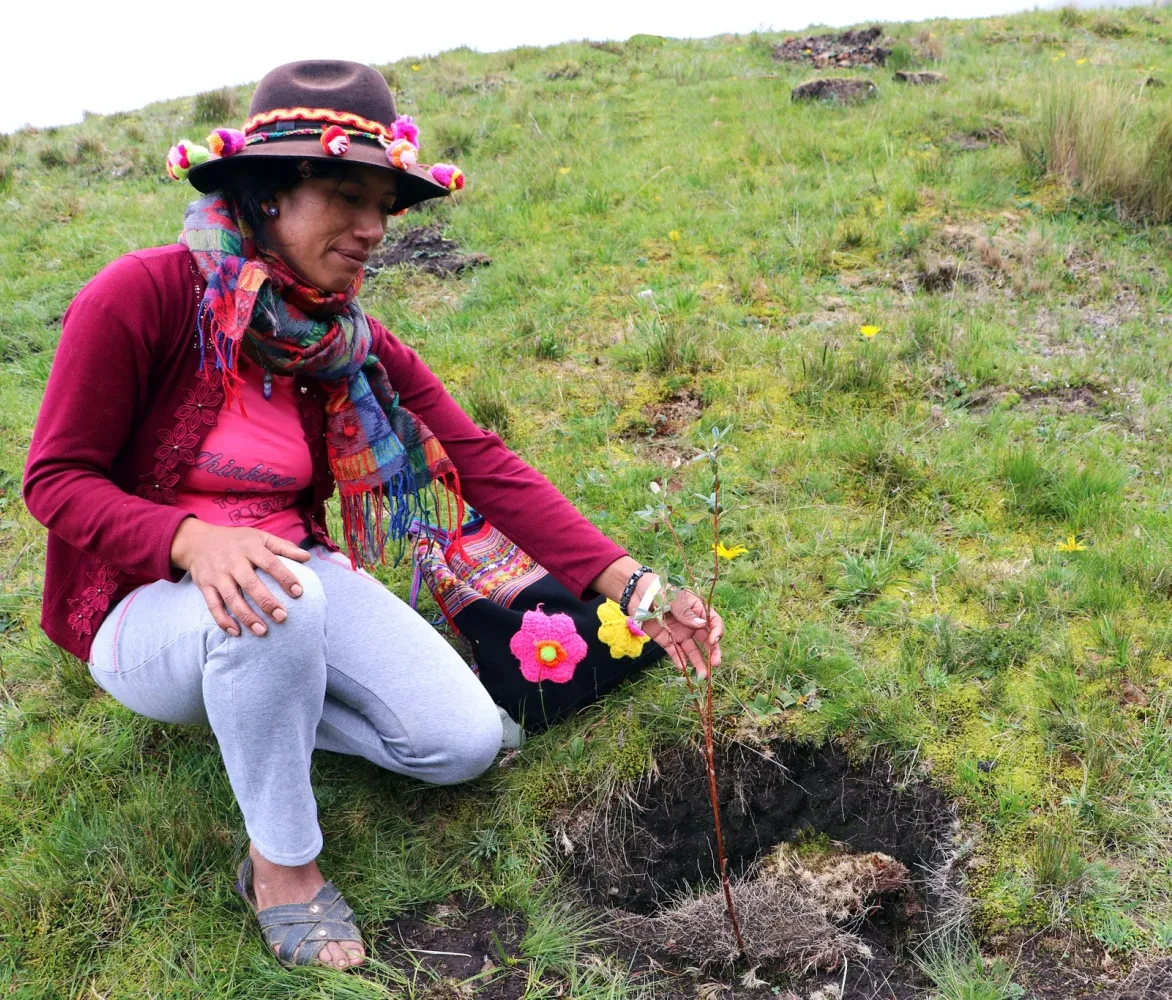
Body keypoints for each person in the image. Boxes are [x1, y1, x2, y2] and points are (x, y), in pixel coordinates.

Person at [22, 60, 723, 970]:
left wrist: (638, 587)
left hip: (286, 585)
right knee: (286, 601)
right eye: (346, 197)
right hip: (145, 610)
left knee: (463, 744)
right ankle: (283, 868)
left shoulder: (346, 340)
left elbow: (482, 463)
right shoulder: (144, 297)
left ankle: (264, 702)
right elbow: (55, 480)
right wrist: (191, 539)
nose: (373, 230)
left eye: (386, 205)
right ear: (269, 191)